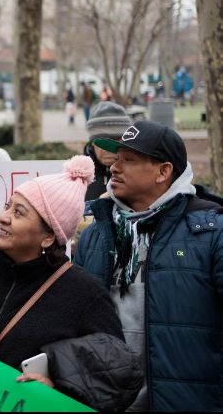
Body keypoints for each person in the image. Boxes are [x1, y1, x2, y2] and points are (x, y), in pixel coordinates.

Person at [0, 156, 140, 411]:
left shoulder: (86, 294)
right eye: (8, 206)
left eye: (18, 213)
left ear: (48, 236)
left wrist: (58, 389)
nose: (3, 217)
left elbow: (117, 371)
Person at [74, 120, 223, 411]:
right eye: (116, 159)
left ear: (163, 172)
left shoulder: (211, 233)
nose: (115, 168)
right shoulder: (95, 233)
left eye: (129, 160)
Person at [83, 101, 132, 201]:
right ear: (92, 142)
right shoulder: (78, 175)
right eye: (102, 140)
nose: (108, 148)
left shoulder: (137, 173)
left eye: (117, 139)